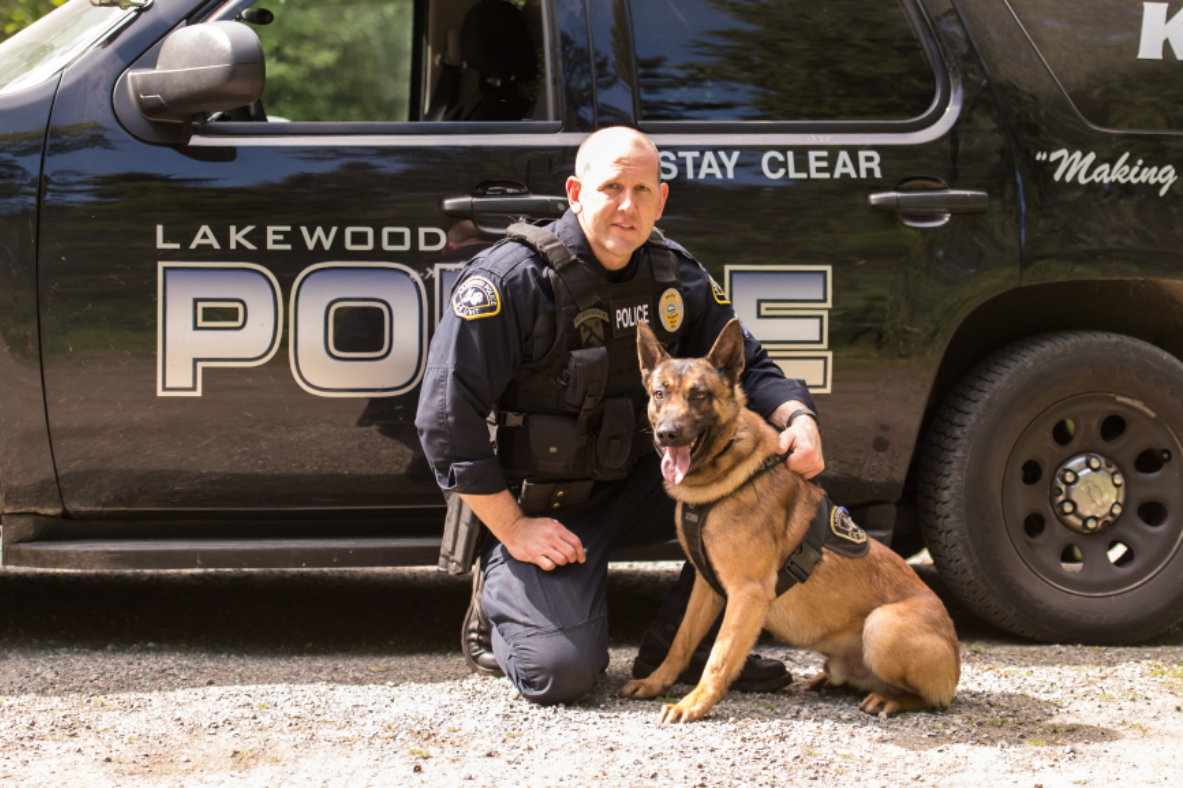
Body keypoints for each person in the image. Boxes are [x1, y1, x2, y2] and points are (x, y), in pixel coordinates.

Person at [415, 127, 824, 705]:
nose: (627, 206)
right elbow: (444, 415)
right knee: (559, 674)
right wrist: (511, 527)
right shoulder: (512, 280)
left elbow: (748, 368)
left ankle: (678, 649)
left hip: (645, 483)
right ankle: (499, 594)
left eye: (641, 190)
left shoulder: (674, 274)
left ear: (661, 200)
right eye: (611, 187)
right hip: (544, 506)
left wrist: (798, 417)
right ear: (576, 191)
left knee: (764, 481)